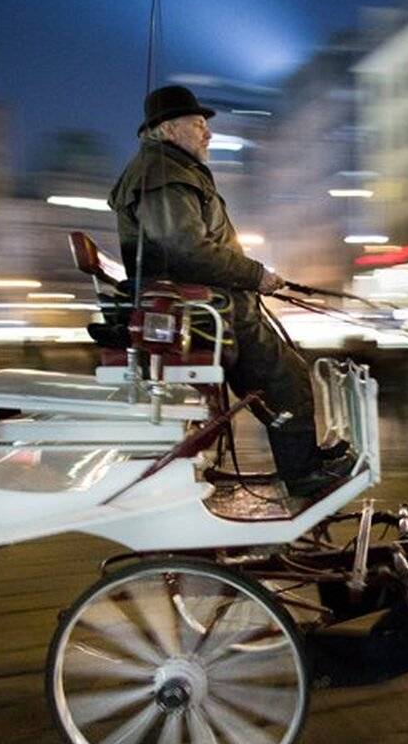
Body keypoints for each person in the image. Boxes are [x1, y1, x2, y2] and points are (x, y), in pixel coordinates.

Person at [109, 85, 353, 497]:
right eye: (199, 125)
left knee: (285, 373)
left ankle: (303, 459)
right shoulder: (165, 175)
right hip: (205, 311)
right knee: (286, 375)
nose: (208, 134)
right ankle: (302, 473)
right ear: (169, 129)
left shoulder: (169, 170)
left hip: (209, 304)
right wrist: (254, 275)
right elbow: (185, 250)